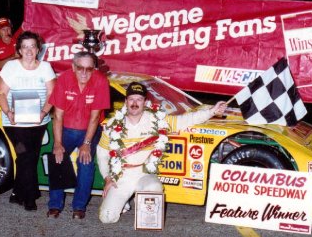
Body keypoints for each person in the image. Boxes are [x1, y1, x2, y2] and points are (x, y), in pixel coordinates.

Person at [97, 82, 227, 224]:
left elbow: (186, 119)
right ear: (126, 101)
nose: (135, 103)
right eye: (131, 99)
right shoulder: (112, 124)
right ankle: (123, 201)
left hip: (143, 173)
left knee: (154, 187)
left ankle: (136, 197)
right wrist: (107, 178)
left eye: (139, 99)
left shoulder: (157, 119)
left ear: (145, 102)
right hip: (121, 176)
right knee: (107, 218)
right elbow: (102, 153)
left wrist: (212, 111)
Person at [47, 51, 110, 220]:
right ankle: (54, 205)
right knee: (57, 157)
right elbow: (58, 115)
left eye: (89, 69)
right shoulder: (64, 79)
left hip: (90, 128)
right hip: (67, 127)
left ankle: (79, 206)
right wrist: (58, 143)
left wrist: (87, 143)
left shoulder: (101, 81)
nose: (84, 73)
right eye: (80, 68)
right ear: (73, 67)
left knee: (85, 161)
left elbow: (95, 117)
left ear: (94, 69)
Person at [0, 31, 56, 211]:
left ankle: (16, 193)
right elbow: (1, 93)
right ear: (19, 50)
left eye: (32, 46)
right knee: (24, 154)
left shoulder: (45, 67)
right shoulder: (10, 67)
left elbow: (52, 93)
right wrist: (8, 112)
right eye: (25, 47)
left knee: (30, 156)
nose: (29, 50)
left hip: (38, 122)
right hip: (14, 123)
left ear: (38, 49)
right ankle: (30, 197)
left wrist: (44, 111)